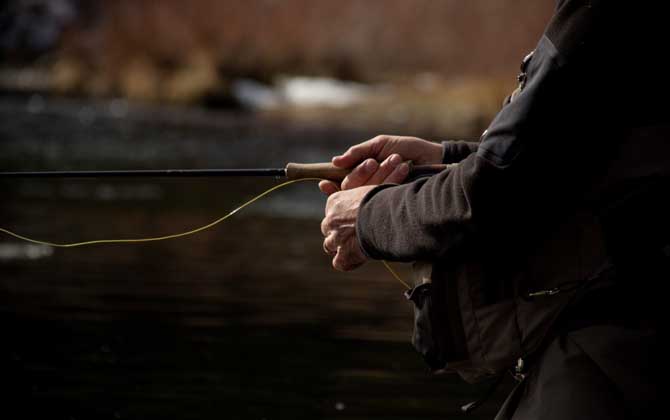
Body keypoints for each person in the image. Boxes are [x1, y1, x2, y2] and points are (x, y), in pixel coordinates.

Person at [320, 1, 665, 418]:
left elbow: (494, 189)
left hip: (615, 356)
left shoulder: (604, 13)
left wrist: (367, 218)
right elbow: (562, 162)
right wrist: (449, 156)